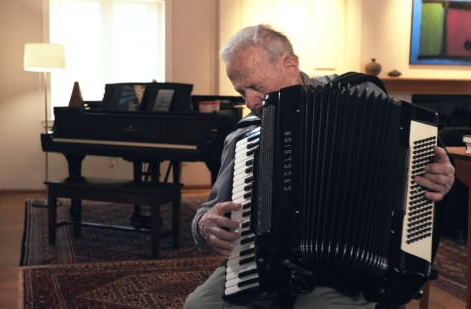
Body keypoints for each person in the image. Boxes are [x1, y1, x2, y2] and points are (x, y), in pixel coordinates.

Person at [185, 24, 455, 309]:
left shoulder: (358, 92)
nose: (250, 101)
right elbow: (210, 207)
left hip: (351, 266)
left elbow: (418, 158)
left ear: (290, 66)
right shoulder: (244, 136)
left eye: (256, 86)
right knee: (199, 305)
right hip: (262, 262)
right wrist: (204, 224)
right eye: (241, 92)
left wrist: (443, 174)